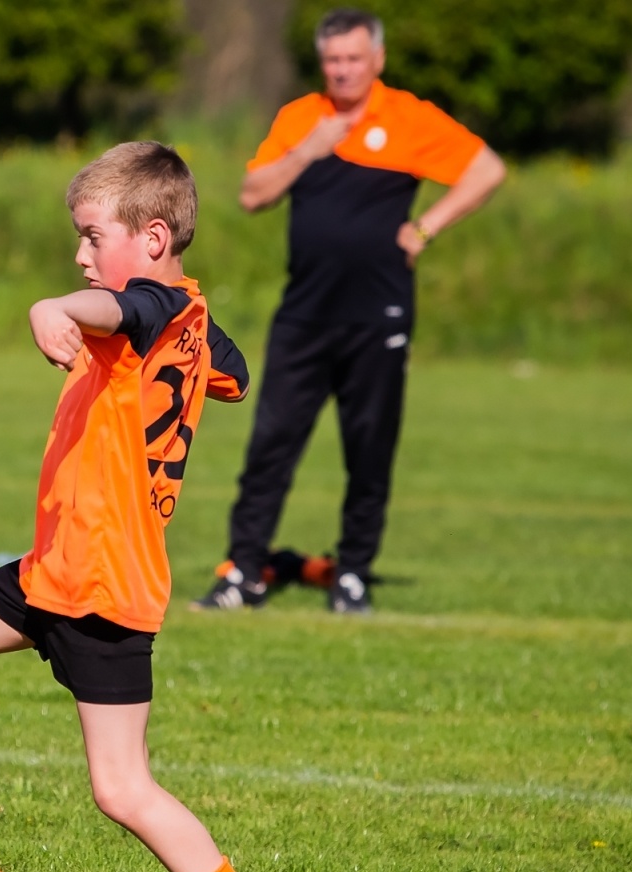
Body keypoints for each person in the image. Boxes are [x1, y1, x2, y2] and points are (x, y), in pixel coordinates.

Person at [0, 142, 312, 872]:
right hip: (55, 569)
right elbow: (228, 371)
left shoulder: (144, 304)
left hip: (103, 582)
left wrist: (56, 305)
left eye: (91, 237)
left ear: (153, 238)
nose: (80, 256)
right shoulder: (179, 319)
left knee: (122, 788)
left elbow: (118, 301)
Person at [193, 7, 506, 614]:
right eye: (332, 60)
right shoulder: (301, 118)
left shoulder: (409, 119)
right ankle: (243, 572)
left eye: (353, 59)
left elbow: (487, 169)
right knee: (270, 446)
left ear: (377, 60)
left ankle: (354, 573)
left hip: (378, 317)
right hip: (304, 315)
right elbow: (253, 195)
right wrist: (307, 151)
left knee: (369, 448)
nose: (342, 70)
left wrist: (427, 226)